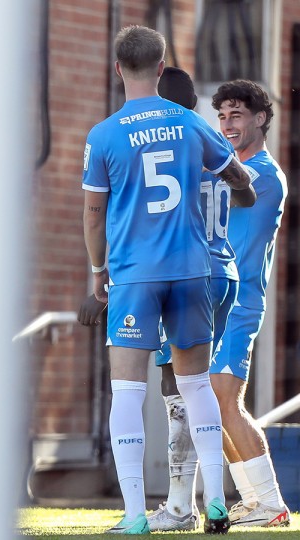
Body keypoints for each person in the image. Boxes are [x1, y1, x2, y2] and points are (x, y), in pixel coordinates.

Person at [81, 26, 255, 535]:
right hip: (192, 270)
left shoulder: (105, 134)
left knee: (128, 391)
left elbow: (93, 215)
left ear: (119, 70)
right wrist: (240, 189)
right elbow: (237, 179)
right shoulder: (191, 122)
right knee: (197, 384)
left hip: (135, 274)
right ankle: (216, 503)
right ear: (161, 67)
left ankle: (136, 515)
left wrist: (98, 269)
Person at [207, 80, 290, 528]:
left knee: (224, 403)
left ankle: (272, 502)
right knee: (210, 407)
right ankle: (254, 500)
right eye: (221, 116)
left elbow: (229, 185)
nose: (227, 123)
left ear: (260, 119)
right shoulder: (233, 167)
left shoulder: (264, 174)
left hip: (240, 304)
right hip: (215, 302)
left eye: (236, 114)